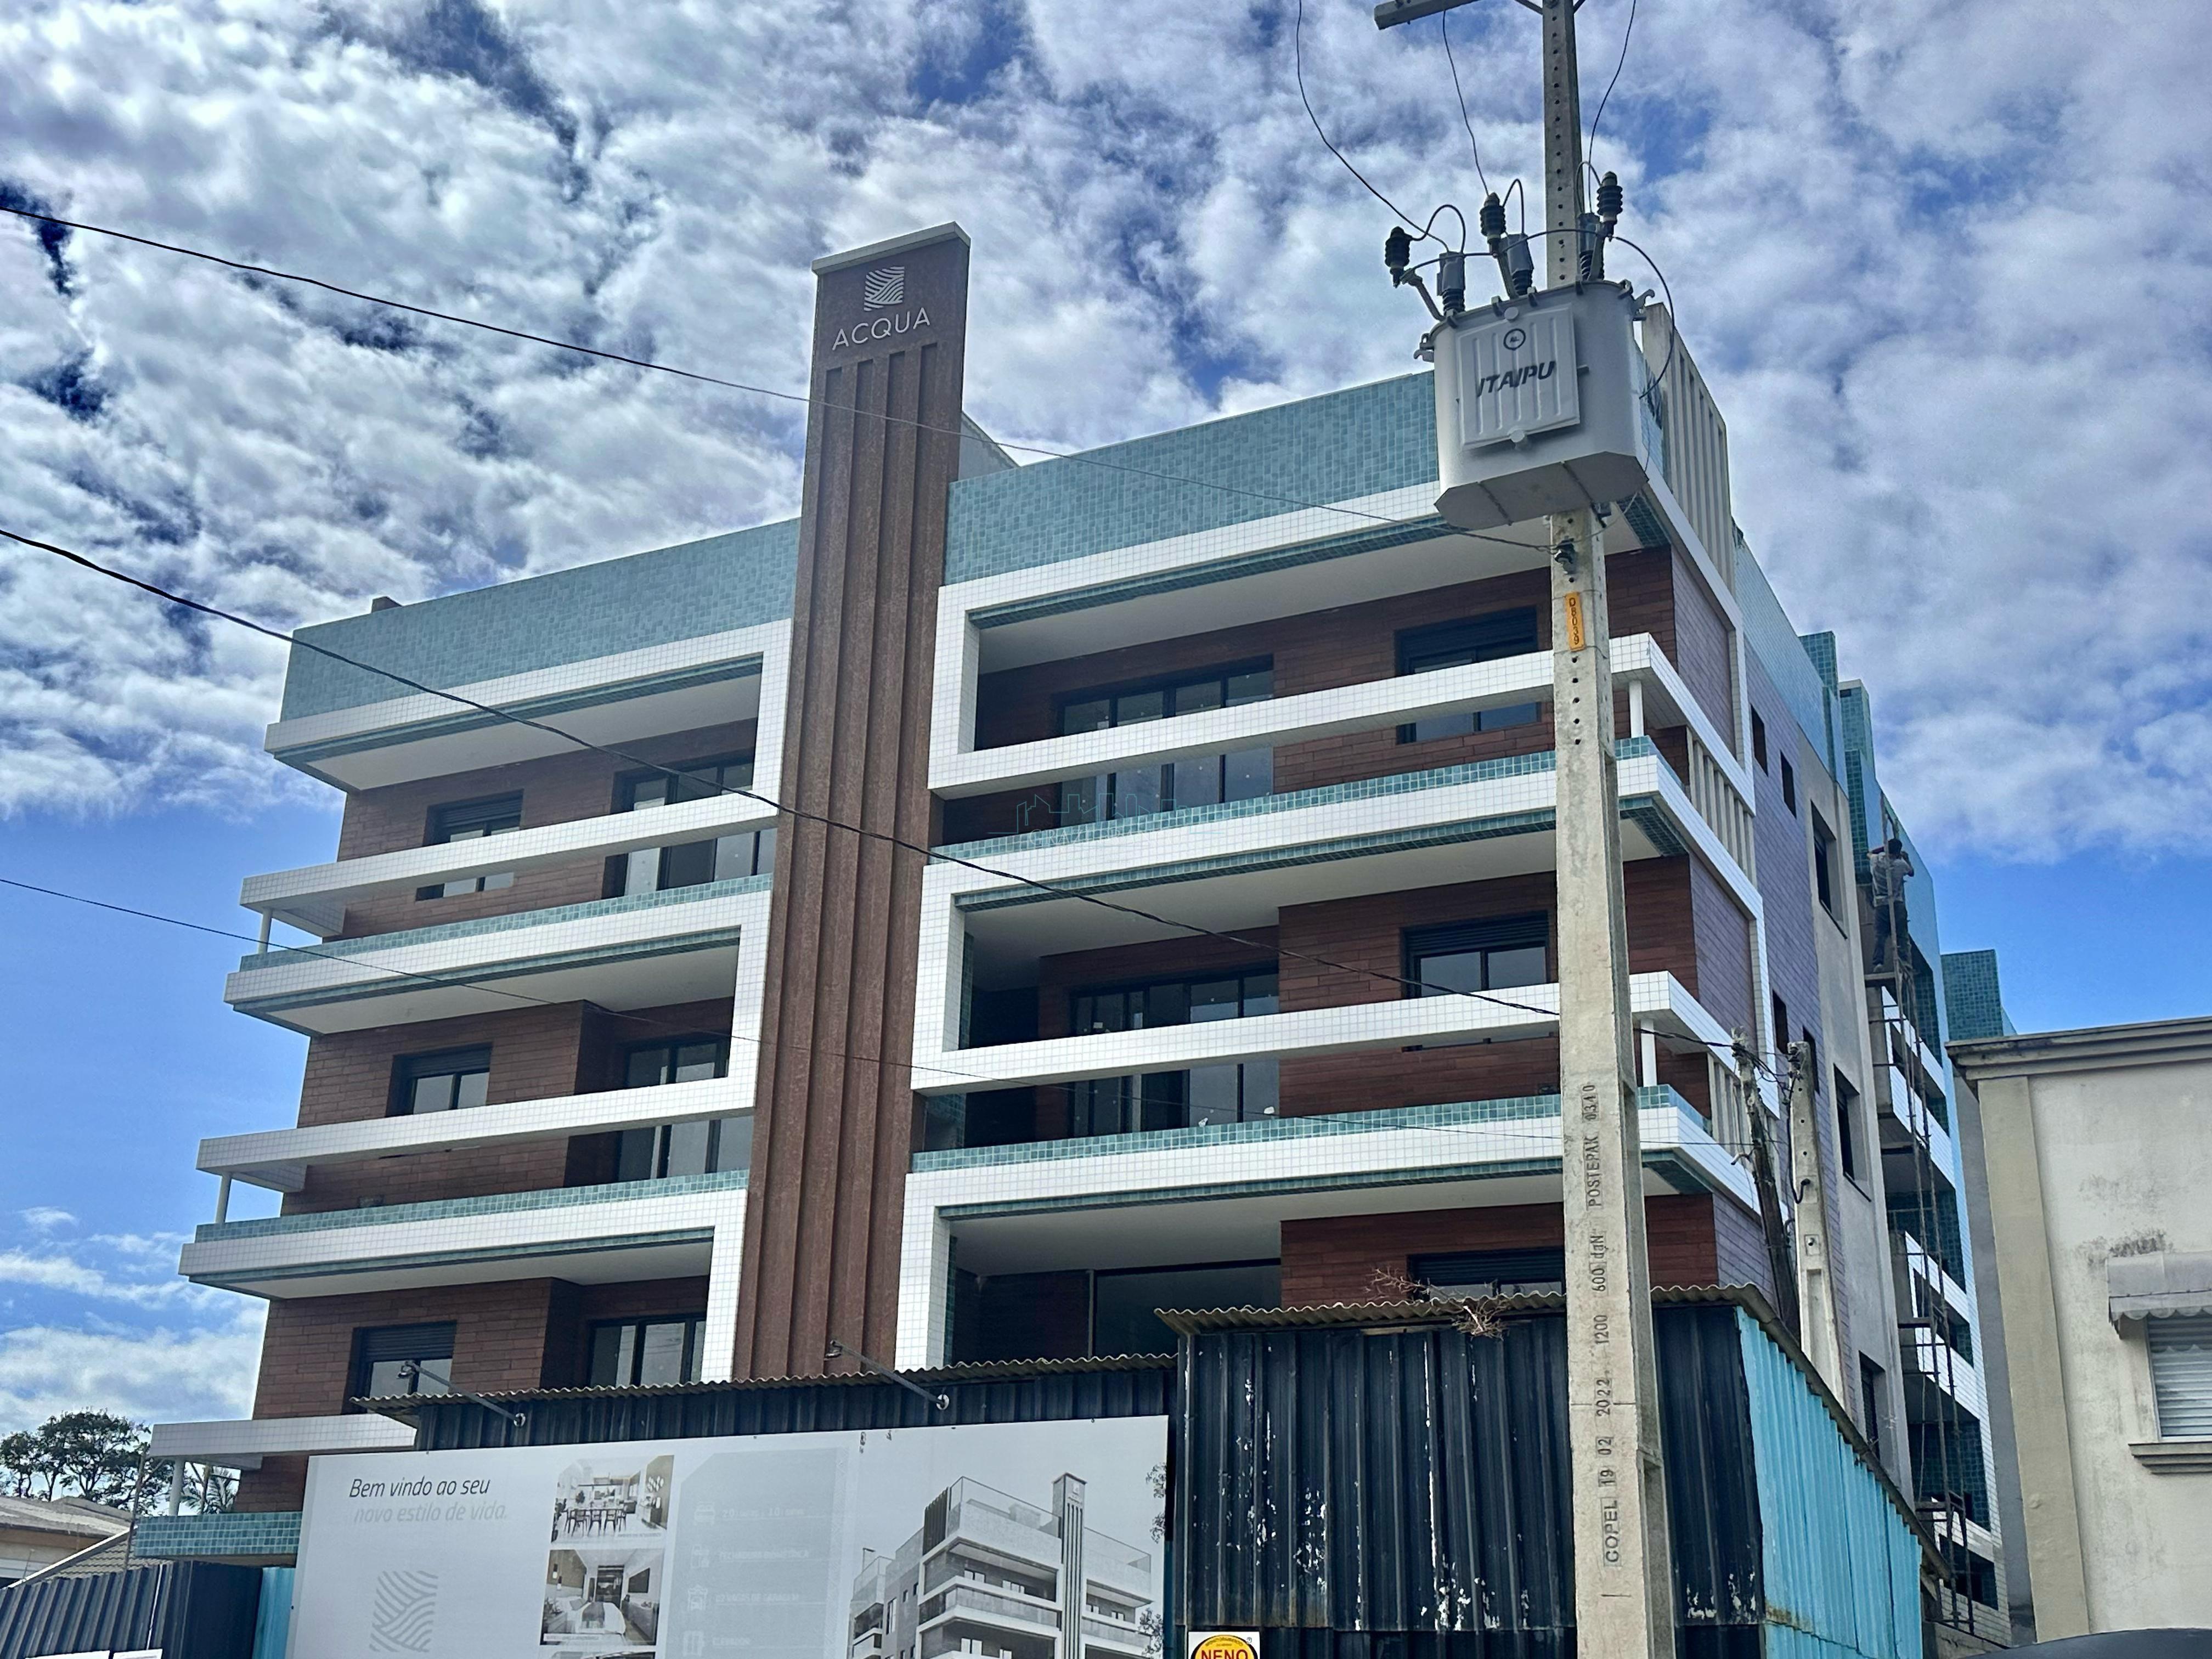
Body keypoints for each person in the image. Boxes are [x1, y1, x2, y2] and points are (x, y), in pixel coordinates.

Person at [1867, 836, 1915, 974]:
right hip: (1896, 903)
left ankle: (1878, 962)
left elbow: (1869, 853)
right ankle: (1905, 961)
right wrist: (1905, 858)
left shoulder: (1877, 860)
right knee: (1902, 934)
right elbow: (1911, 872)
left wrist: (1883, 848)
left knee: (1880, 935)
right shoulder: (1901, 865)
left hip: (1881, 904)